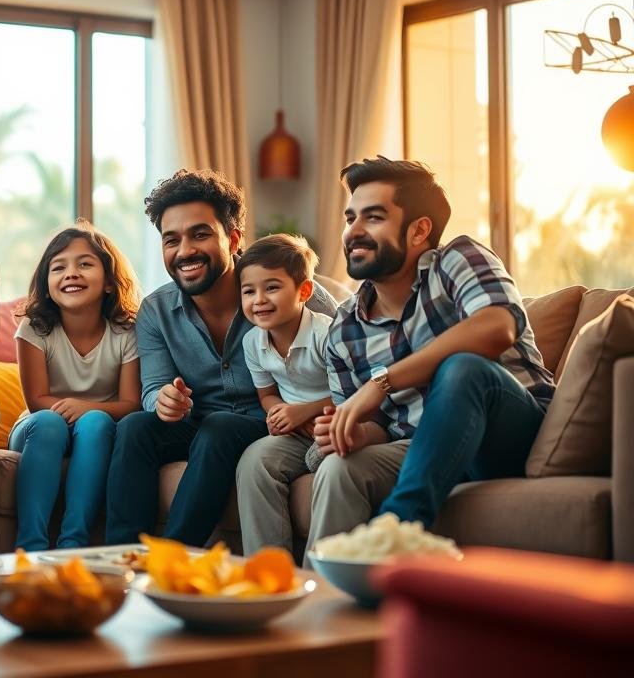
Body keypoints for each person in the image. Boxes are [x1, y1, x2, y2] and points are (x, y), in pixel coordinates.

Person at [306, 156, 555, 552]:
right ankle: (327, 585)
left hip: (507, 434)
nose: (354, 231)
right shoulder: (343, 329)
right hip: (421, 448)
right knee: (340, 468)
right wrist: (353, 431)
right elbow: (378, 427)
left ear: (419, 230)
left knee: (463, 368)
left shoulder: (457, 260)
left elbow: (496, 327)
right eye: (350, 218)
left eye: (373, 217)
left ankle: (397, 529)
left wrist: (382, 383)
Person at [105, 170, 337, 547]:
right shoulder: (156, 311)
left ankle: (173, 557)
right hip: (197, 425)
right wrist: (163, 400)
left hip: (271, 424)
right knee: (134, 428)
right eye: (171, 240)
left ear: (233, 238)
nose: (184, 251)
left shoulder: (291, 291)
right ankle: (122, 559)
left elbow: (348, 363)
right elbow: (152, 388)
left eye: (200, 234)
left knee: (221, 427)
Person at [8, 222, 142, 550]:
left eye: (85, 264)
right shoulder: (34, 328)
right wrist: (73, 411)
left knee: (96, 422)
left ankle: (73, 544)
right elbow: (36, 400)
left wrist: (87, 409)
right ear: (46, 284)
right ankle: (30, 546)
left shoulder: (127, 332)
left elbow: (131, 403)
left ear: (109, 281)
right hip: (39, 428)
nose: (71, 273)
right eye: (59, 267)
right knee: (49, 422)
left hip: (97, 431)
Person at [233, 234, 334, 555]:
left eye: (272, 287)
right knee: (254, 461)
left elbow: (355, 393)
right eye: (249, 291)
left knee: (331, 461)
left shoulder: (327, 334)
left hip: (339, 420)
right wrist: (279, 412)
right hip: (297, 431)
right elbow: (266, 394)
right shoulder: (252, 342)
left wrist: (305, 411)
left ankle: (319, 571)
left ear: (303, 291)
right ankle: (268, 567)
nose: (259, 300)